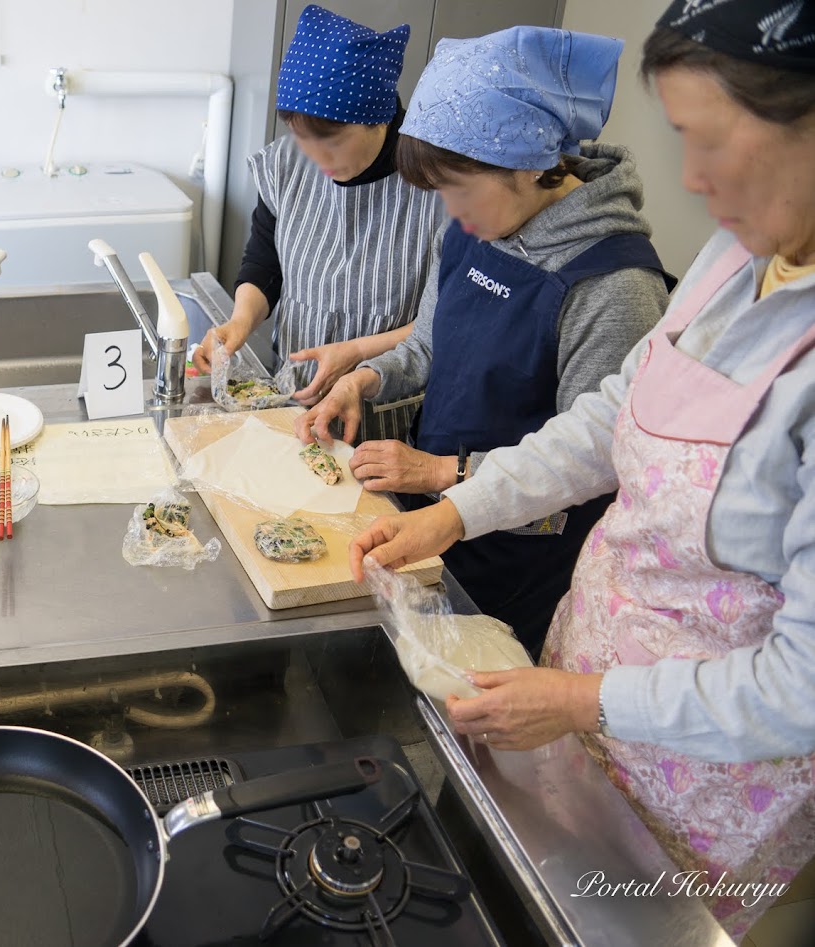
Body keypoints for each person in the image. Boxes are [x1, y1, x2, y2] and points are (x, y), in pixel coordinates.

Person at [350, 2, 815, 935]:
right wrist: (455, 511)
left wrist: (580, 700)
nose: (684, 178)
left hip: (700, 778)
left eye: (706, 139)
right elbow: (606, 421)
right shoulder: (739, 258)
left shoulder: (634, 284)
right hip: (573, 688)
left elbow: (800, 686)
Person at [297, 25, 674, 655]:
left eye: (456, 188)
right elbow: (430, 343)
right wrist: (364, 379)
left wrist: (445, 473)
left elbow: (598, 469)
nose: (449, 211)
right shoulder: (477, 229)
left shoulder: (613, 286)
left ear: (529, 166)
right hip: (432, 530)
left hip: (522, 574)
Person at [194, 5, 445, 406]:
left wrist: (359, 352)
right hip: (291, 396)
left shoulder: (438, 187)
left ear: (377, 119)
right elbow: (264, 262)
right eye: (300, 139)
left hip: (387, 409)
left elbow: (446, 319)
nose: (313, 158)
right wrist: (240, 320)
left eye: (330, 143)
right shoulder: (286, 162)